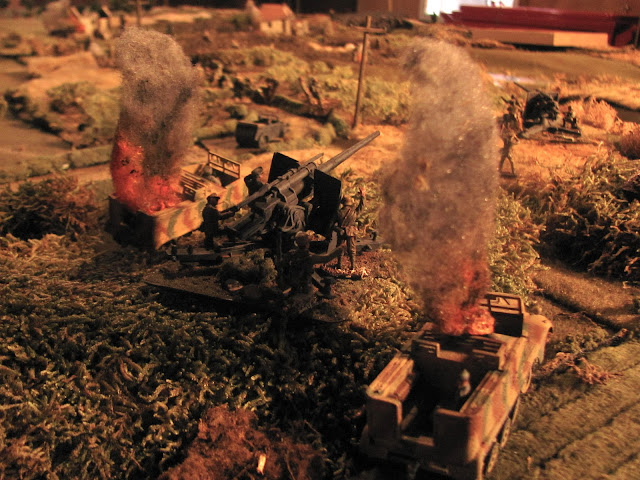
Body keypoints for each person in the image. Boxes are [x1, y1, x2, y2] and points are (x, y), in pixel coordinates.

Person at [334, 187, 365, 271]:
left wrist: (339, 230)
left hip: (341, 232)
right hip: (351, 232)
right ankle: (353, 266)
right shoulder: (354, 212)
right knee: (352, 250)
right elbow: (361, 207)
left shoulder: (338, 212)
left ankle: (339, 265)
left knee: (339, 249)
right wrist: (363, 196)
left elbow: (332, 225)